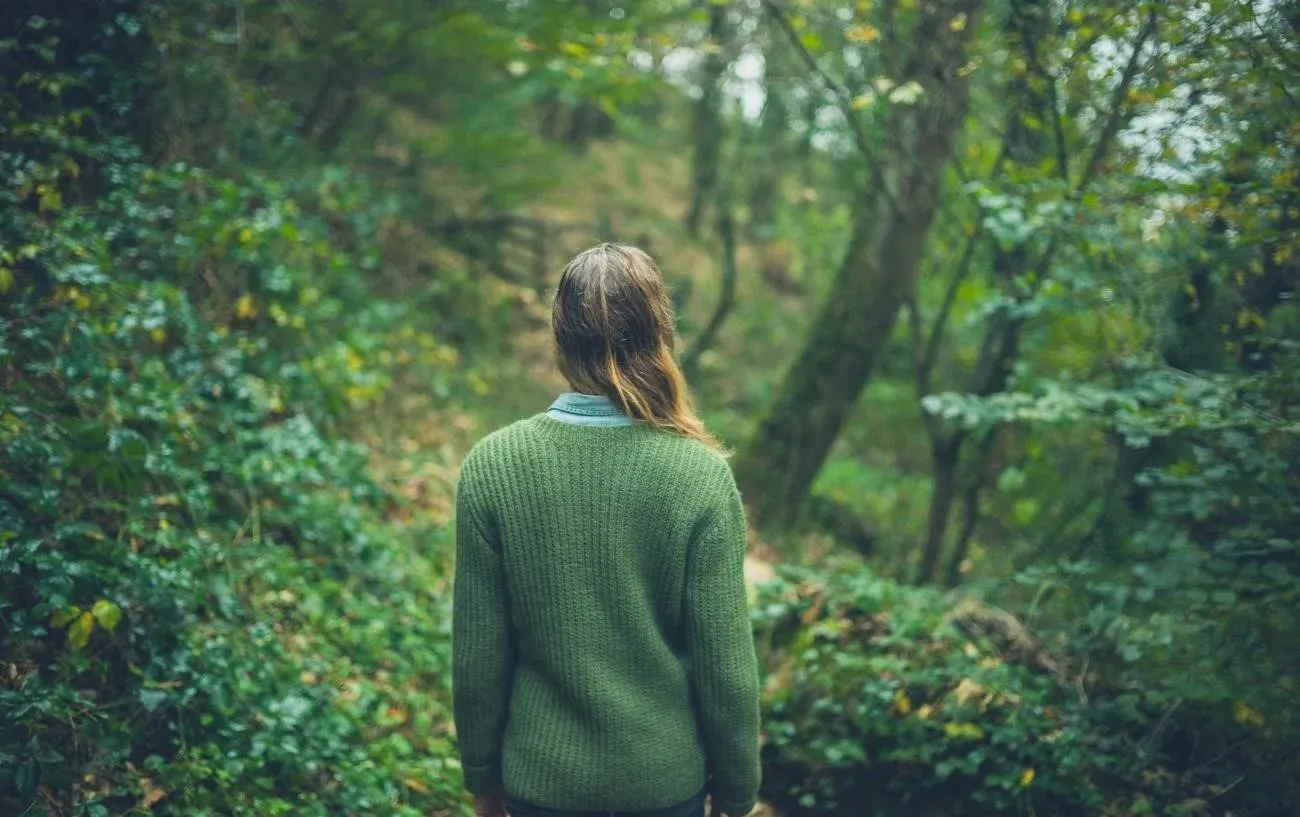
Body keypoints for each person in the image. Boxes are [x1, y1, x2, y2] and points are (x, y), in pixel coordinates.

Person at [452, 243, 761, 817]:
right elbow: (727, 669)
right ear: (660, 336)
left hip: (541, 788)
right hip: (665, 790)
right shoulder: (702, 476)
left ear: (560, 339)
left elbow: (479, 653)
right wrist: (737, 794)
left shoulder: (493, 465)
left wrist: (483, 778)